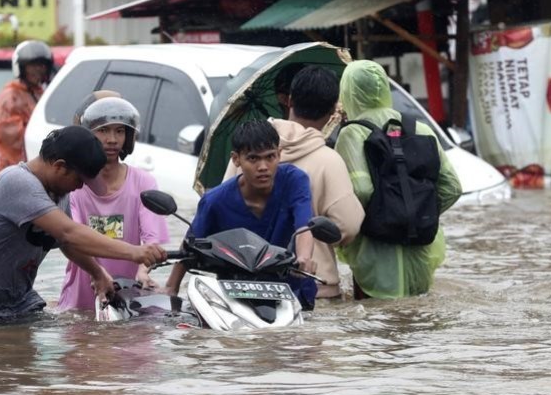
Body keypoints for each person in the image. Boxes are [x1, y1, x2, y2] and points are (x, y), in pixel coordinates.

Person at [0, 125, 167, 326]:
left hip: (17, 303)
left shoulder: (58, 192)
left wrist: (97, 273)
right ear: (59, 166)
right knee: (4, 369)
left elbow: (66, 243)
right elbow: (70, 233)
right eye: (79, 180)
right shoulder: (16, 182)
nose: (79, 188)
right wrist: (134, 252)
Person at [224, 66, 364, 299]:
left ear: (289, 100)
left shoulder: (246, 151)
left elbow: (225, 210)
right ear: (333, 112)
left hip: (248, 286)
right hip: (314, 288)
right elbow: (348, 226)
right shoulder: (329, 160)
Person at [334, 60, 463, 299]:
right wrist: (415, 211)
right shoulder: (421, 128)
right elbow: (453, 187)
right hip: (421, 251)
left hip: (375, 255)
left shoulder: (352, 133)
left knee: (377, 329)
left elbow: (361, 190)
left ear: (349, 92)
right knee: (419, 325)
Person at [166, 119, 318, 310]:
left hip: (291, 292)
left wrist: (304, 258)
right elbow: (190, 247)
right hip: (235, 296)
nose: (263, 167)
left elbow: (304, 227)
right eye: (253, 158)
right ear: (236, 159)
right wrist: (171, 288)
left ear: (279, 155)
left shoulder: (295, 181)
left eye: (270, 157)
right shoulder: (215, 200)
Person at [57, 97, 170, 311]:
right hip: (81, 298)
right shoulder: (75, 184)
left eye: (119, 131)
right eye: (103, 131)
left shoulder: (144, 182)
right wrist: (96, 274)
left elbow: (151, 239)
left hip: (130, 296)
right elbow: (73, 239)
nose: (112, 139)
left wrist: (143, 271)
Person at [0, 40, 54, 171]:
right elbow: (10, 141)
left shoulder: (41, 93)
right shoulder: (10, 96)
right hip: (16, 169)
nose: (38, 70)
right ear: (21, 67)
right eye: (33, 65)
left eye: (42, 65)